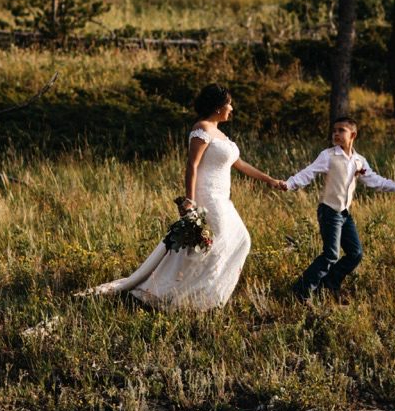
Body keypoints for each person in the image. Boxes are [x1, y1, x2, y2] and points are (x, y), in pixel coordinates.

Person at [79, 83, 286, 310]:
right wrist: (190, 200)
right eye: (229, 104)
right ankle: (171, 293)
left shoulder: (222, 135)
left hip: (223, 198)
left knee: (240, 240)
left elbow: (241, 164)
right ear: (218, 107)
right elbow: (192, 165)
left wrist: (270, 180)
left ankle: (202, 295)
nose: (232, 108)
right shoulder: (202, 129)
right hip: (208, 196)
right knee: (211, 244)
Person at [283, 116, 395, 301]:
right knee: (330, 254)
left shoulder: (359, 160)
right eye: (334, 130)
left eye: (341, 131)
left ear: (353, 134)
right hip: (329, 210)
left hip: (344, 214)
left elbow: (374, 180)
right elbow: (309, 172)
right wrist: (289, 184)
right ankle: (301, 292)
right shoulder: (328, 155)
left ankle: (329, 285)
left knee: (355, 253)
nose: (336, 134)